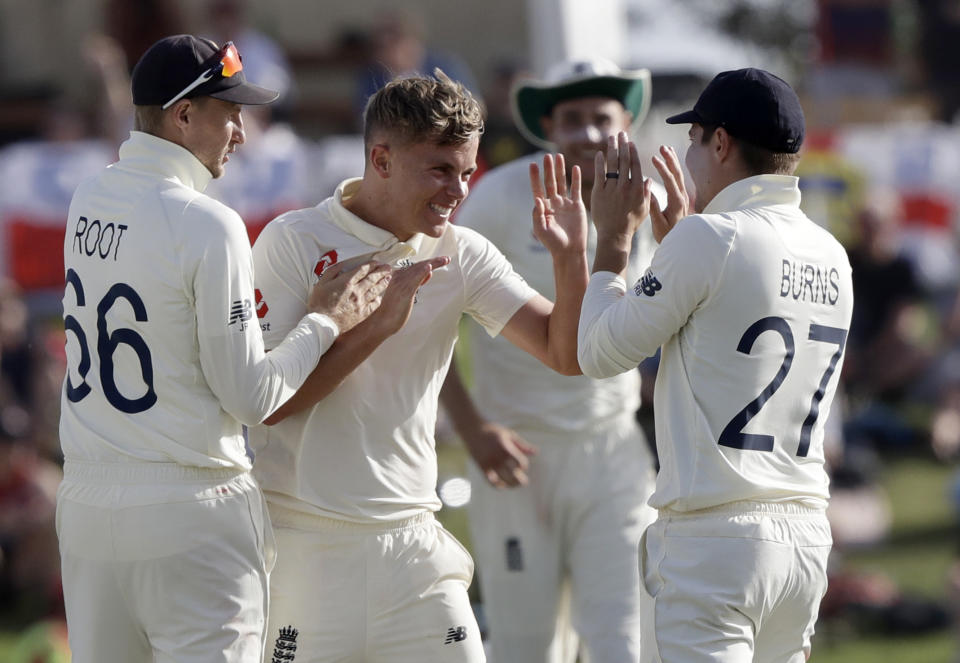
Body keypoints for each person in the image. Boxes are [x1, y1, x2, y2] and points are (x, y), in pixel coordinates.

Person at [56, 35, 391, 663]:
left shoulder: (89, 197)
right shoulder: (208, 223)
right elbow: (252, 396)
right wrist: (325, 321)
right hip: (189, 509)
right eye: (229, 110)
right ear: (183, 116)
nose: (241, 130)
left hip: (84, 509)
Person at [248, 69, 589, 663]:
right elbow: (269, 405)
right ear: (380, 159)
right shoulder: (293, 242)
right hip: (306, 547)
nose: (457, 190)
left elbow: (565, 353)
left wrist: (572, 257)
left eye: (466, 170)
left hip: (414, 546)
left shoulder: (462, 250)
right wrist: (375, 327)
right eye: (439, 169)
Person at [577, 68, 854, 662]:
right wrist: (680, 241)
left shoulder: (710, 238)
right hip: (804, 539)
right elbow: (723, 323)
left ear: (721, 143)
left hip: (716, 541)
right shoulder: (831, 252)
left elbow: (598, 353)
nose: (688, 154)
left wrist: (612, 244)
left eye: (694, 138)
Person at [439, 58, 660, 663]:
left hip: (611, 451)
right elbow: (431, 323)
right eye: (572, 119)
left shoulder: (650, 199)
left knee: (621, 642)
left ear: (625, 125)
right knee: (525, 646)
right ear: (549, 128)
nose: (587, 133)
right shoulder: (502, 195)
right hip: (517, 454)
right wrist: (473, 428)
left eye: (601, 118)